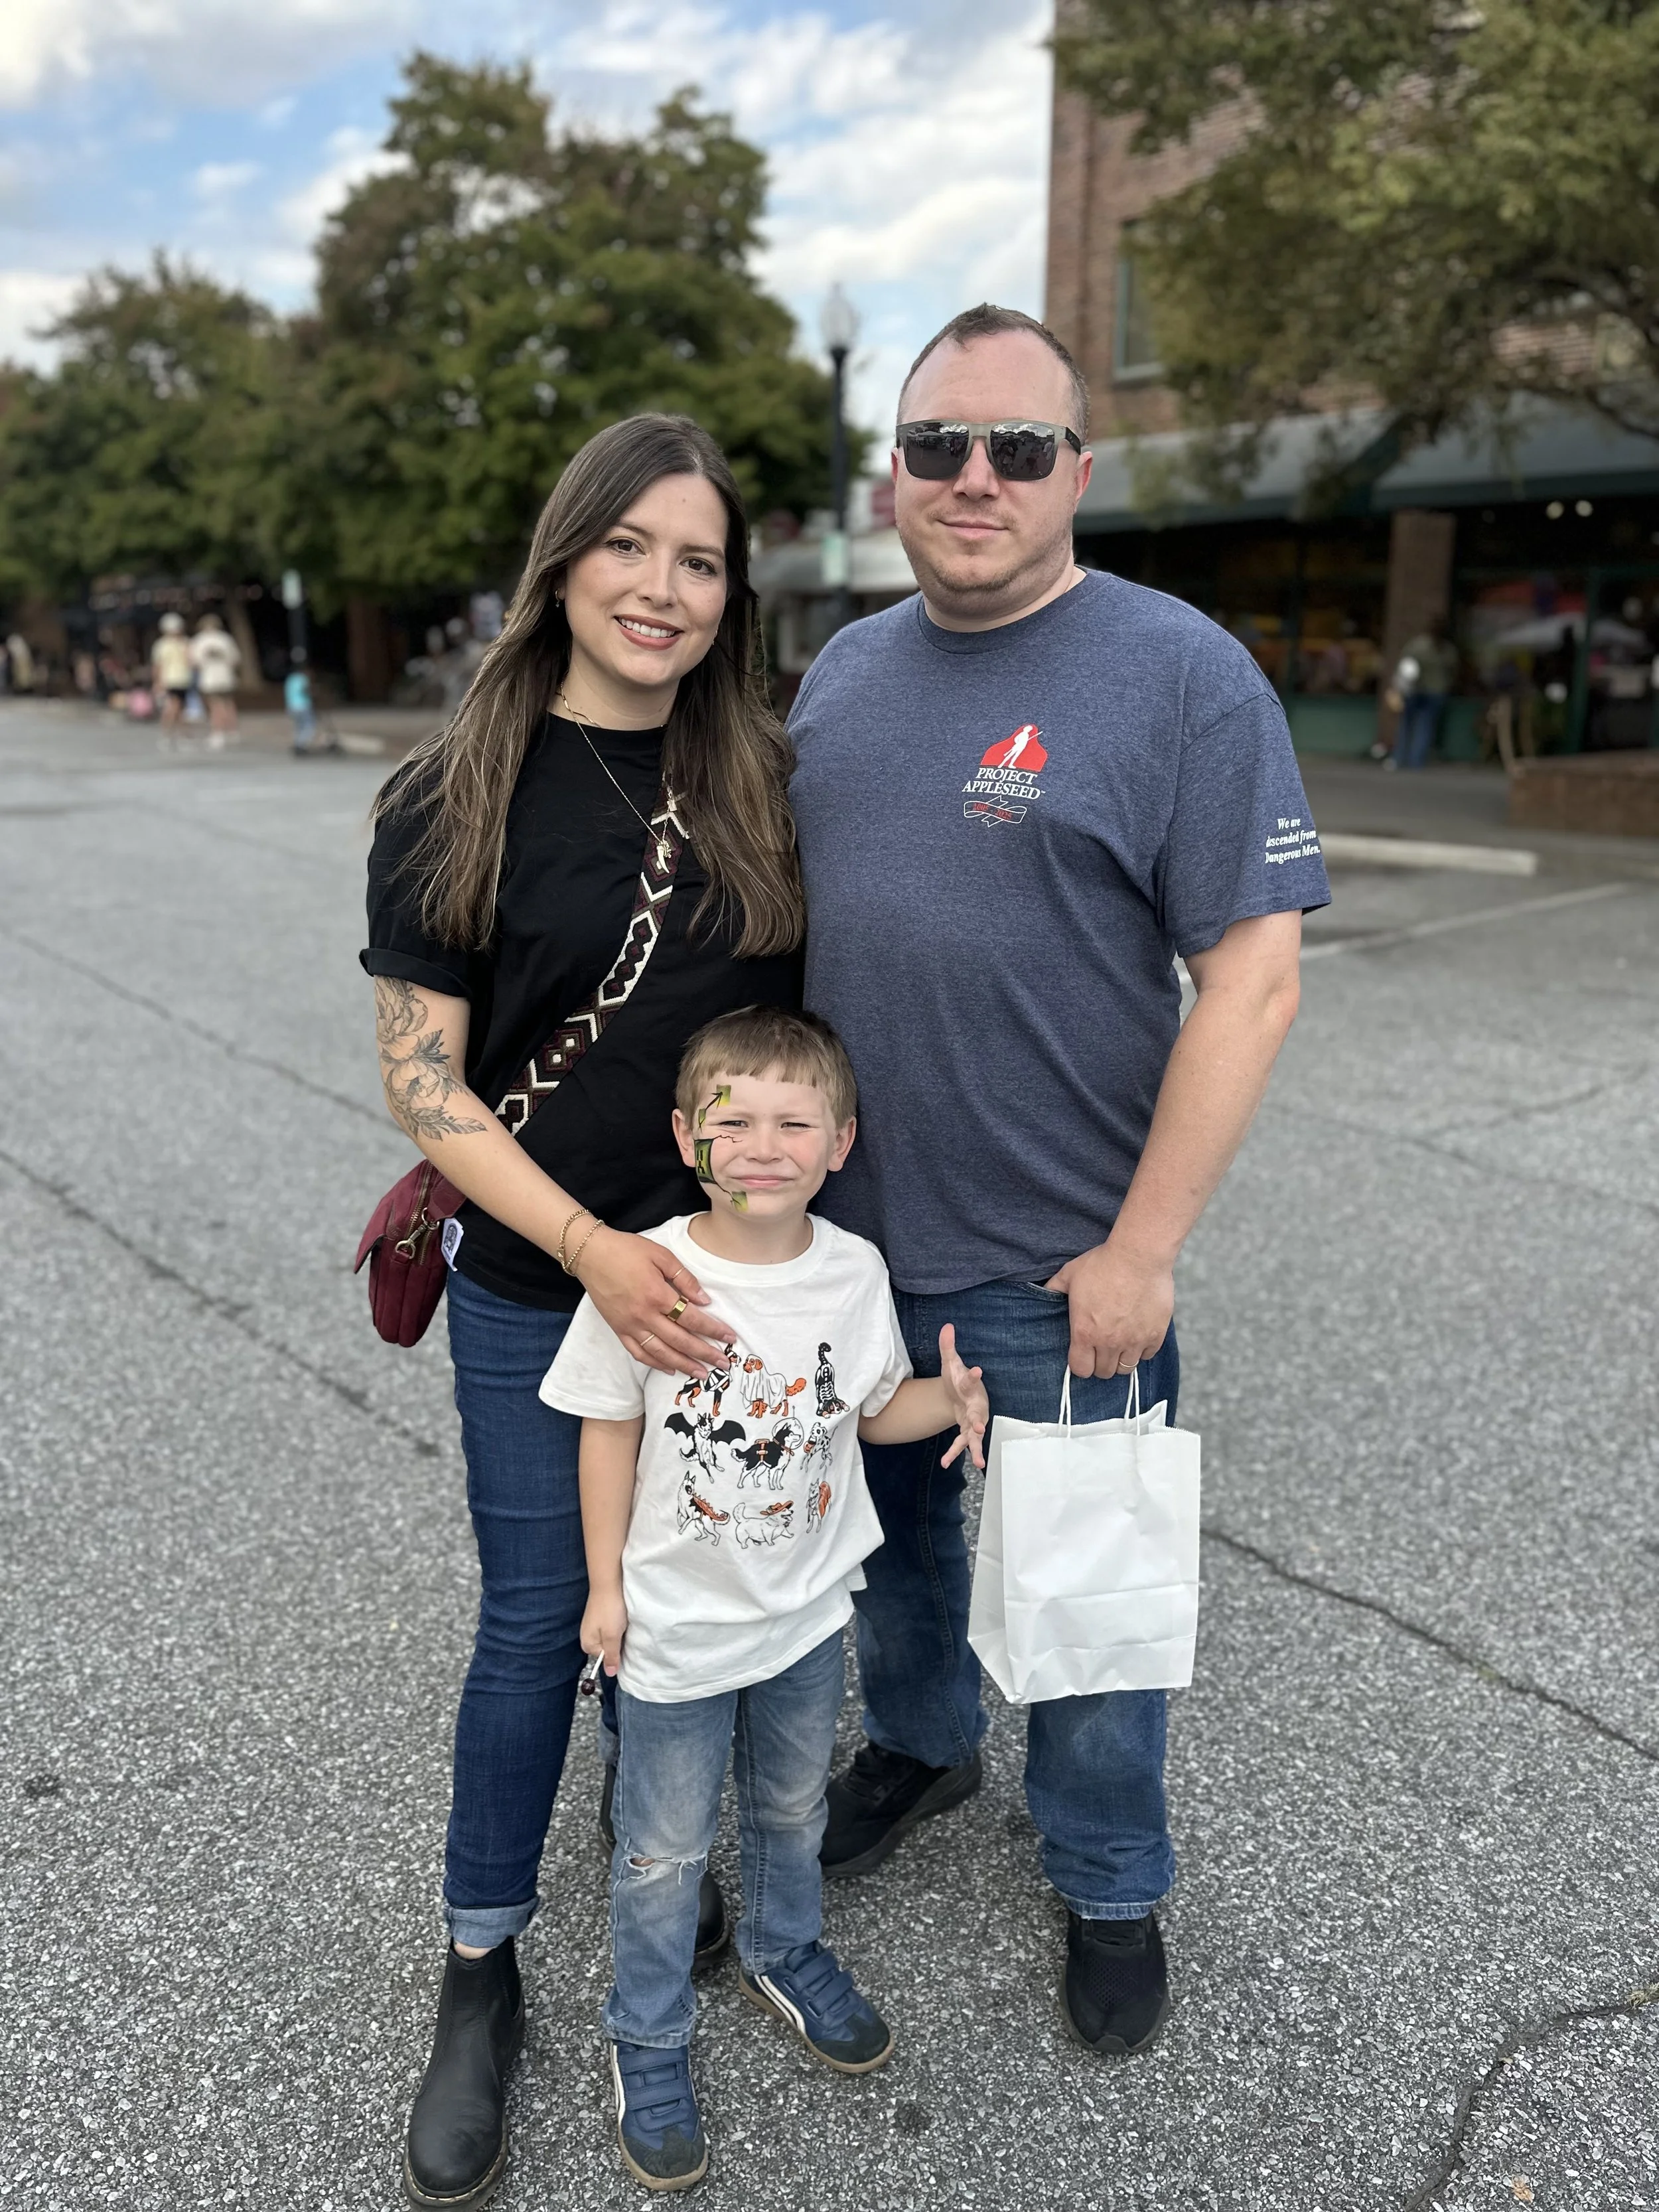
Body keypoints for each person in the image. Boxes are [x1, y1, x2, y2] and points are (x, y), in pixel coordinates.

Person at [788, 303, 1331, 2060]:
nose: (973, 477)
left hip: (1064, 1266)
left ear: (1074, 473)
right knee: (893, 1553)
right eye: (937, 441)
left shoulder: (1176, 674)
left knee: (1091, 1605)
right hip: (855, 1257)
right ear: (893, 471)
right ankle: (926, 1743)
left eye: (1016, 447)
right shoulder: (842, 672)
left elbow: (1251, 977)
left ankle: (1108, 1877)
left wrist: (1144, 1246)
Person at [361, 414, 805, 2212]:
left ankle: (659, 1860)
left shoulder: (764, 781)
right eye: (630, 547)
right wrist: (595, 1246)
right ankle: (480, 1967)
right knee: (543, 1619)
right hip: (540, 1286)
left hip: (723, 1306)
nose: (663, 588)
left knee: (686, 1604)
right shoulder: (445, 790)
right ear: (563, 558)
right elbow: (421, 1080)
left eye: (699, 561)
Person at [543, 1006, 989, 2189]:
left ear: (841, 1143)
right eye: (732, 1120)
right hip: (677, 1623)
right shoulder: (650, 1270)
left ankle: (787, 1950)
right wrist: (602, 1590)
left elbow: (872, 1407)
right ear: (687, 1135)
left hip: (803, 1613)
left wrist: (952, 1400)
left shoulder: (855, 1269)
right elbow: (605, 1427)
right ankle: (645, 2033)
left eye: (795, 1121)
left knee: (791, 1809)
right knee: (662, 1848)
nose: (763, 1144)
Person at [1387, 615, 1459, 771]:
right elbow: (1452, 673)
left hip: (1416, 690)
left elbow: (1406, 669)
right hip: (1434, 692)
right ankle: (1415, 761)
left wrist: (1401, 687)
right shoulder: (1447, 650)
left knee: (1407, 725)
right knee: (1424, 726)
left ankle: (1401, 759)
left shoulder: (1418, 646)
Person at [190, 613, 242, 745]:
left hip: (210, 678)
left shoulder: (199, 640)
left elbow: (194, 662)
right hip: (226, 676)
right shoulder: (226, 639)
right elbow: (235, 659)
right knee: (229, 704)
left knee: (215, 706)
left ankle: (217, 733)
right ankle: (232, 731)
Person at [151, 613, 192, 732]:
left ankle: (179, 732)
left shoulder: (183, 643)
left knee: (178, 707)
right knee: (174, 706)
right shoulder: (164, 645)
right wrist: (157, 682)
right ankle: (169, 731)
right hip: (172, 680)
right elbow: (158, 666)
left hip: (181, 679)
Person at [285, 660, 320, 753]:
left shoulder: (290, 679)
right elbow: (306, 690)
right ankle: (302, 744)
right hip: (303, 706)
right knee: (309, 725)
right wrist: (314, 693)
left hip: (292, 706)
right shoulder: (303, 678)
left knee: (299, 726)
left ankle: (297, 743)